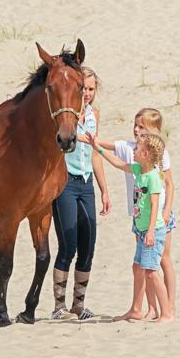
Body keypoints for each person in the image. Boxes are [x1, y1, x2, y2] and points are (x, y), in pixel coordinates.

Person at [89, 108, 176, 320]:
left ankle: (168, 309)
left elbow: (164, 192)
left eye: (141, 127)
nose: (136, 130)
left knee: (157, 265)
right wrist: (93, 144)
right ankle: (147, 308)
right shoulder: (137, 163)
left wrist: (163, 216)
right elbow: (117, 162)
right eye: (135, 125)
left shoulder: (155, 166)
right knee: (142, 266)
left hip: (155, 225)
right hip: (141, 222)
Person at [51, 67, 111, 321]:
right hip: (65, 183)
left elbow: (95, 155)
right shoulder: (66, 116)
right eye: (83, 88)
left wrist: (104, 189)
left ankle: (79, 304)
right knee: (69, 244)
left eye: (90, 89)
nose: (87, 94)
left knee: (88, 245)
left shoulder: (94, 115)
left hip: (86, 184)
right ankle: (58, 307)